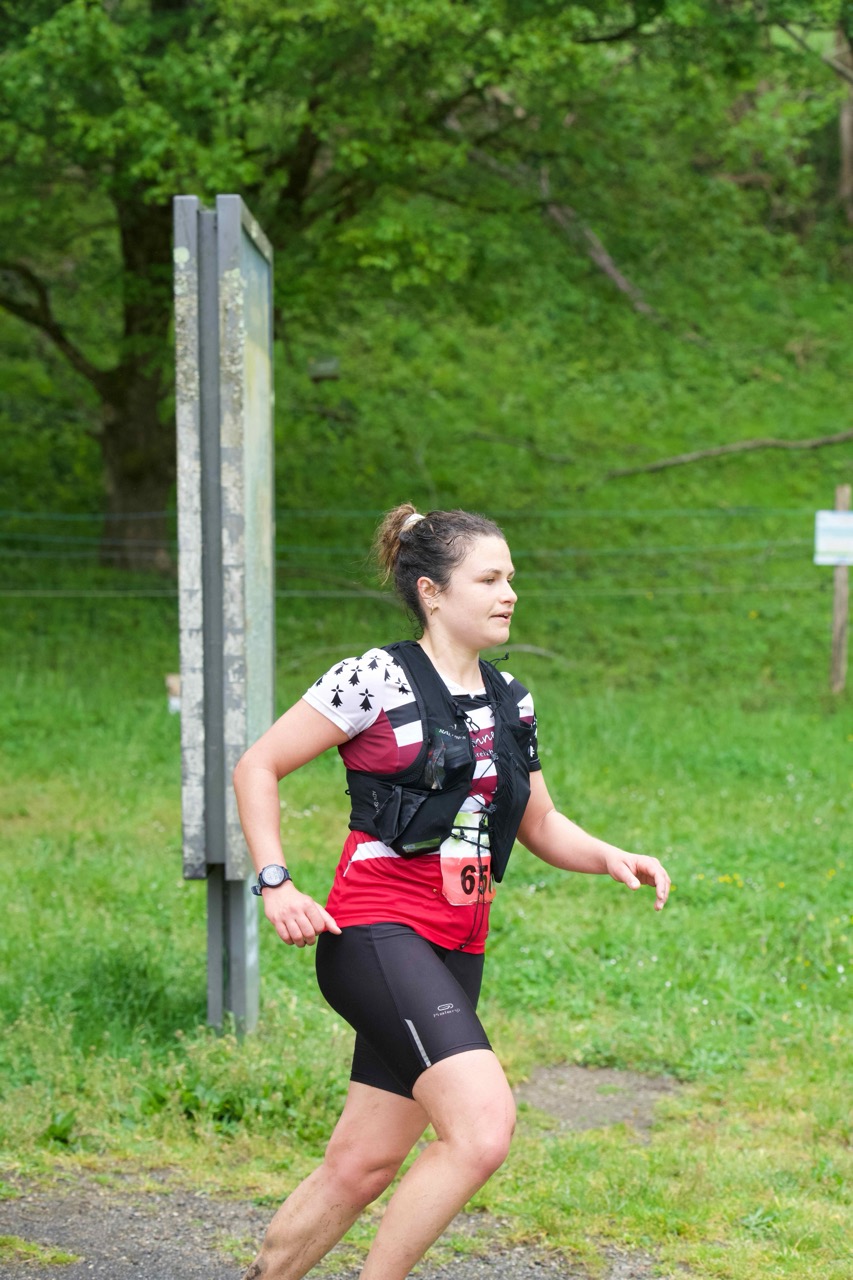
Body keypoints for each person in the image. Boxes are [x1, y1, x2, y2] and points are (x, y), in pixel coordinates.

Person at [233, 504, 670, 1280]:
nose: (509, 594)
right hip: (375, 935)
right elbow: (256, 766)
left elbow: (540, 822)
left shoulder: (510, 698)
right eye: (489, 579)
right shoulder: (374, 678)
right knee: (480, 1131)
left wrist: (609, 855)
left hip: (455, 948)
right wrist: (276, 883)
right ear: (431, 592)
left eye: (511, 578)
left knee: (361, 1165)